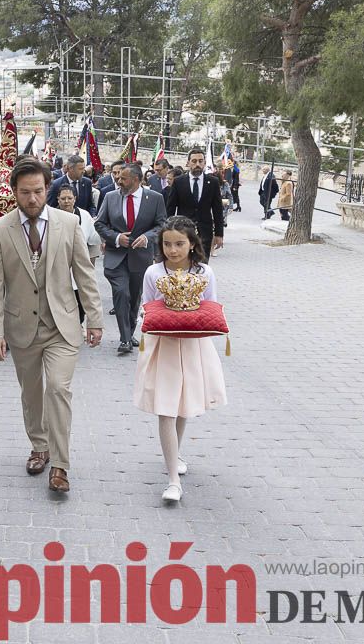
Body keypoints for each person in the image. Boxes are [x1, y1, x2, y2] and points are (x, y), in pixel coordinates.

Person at [0, 157, 104, 494]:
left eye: (38, 191)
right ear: (14, 193)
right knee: (32, 393)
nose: (32, 199)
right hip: (22, 328)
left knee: (58, 390)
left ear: (47, 189)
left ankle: (61, 466)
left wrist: (94, 318)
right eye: (25, 193)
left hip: (62, 326)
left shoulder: (68, 224)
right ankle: (39, 445)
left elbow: (85, 274)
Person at [134, 215, 226, 504]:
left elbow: (210, 305)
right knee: (166, 408)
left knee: (183, 405)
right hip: (163, 347)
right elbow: (146, 307)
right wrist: (148, 321)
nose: (173, 250)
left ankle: (176, 453)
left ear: (191, 243)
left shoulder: (204, 273)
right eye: (167, 244)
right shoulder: (153, 273)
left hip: (194, 346)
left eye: (179, 244)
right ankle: (173, 479)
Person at [95, 163, 168, 356]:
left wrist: (148, 237)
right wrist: (117, 238)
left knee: (135, 298)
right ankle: (125, 338)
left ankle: (129, 332)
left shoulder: (154, 198)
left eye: (123, 178)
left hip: (141, 258)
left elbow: (162, 224)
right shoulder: (110, 197)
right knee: (122, 293)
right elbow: (100, 223)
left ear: (136, 180)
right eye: (118, 177)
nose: (118, 181)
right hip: (115, 257)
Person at [164, 149, 225, 263]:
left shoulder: (213, 182)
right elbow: (170, 209)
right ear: (188, 163)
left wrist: (219, 234)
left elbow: (217, 210)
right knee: (183, 264)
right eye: (194, 161)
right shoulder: (178, 182)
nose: (197, 164)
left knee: (202, 266)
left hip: (205, 233)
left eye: (200, 161)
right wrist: (167, 231)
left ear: (204, 163)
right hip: (183, 232)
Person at [56, 184, 102, 323]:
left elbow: (93, 239)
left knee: (80, 296)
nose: (66, 201)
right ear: (58, 199)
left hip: (78, 263)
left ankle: (79, 323)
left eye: (69, 198)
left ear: (75, 199)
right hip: (58, 264)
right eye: (63, 198)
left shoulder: (84, 215)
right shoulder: (51, 215)